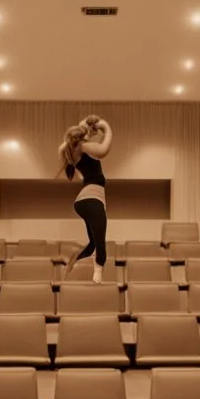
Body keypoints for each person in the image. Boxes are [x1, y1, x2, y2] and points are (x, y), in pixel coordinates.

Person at [59, 114, 113, 283]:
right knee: (101, 247)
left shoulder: (72, 149)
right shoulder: (83, 148)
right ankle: (97, 278)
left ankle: (71, 265)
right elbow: (103, 150)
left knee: (92, 245)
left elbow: (71, 142)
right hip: (92, 199)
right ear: (81, 138)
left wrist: (83, 127)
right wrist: (107, 128)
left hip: (85, 200)